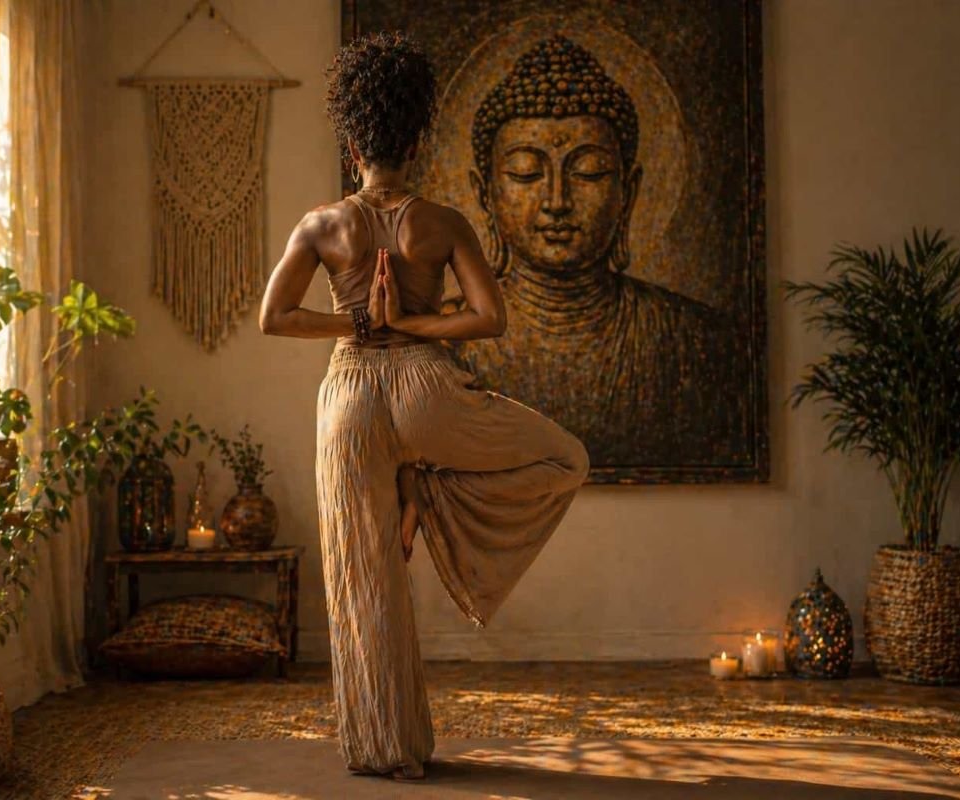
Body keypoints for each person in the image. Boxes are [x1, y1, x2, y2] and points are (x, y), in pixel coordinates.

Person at [258, 32, 589, 781]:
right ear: (417, 138)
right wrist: (410, 323)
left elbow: (274, 319)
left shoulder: (322, 225)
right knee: (565, 457)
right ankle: (427, 488)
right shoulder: (440, 222)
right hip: (425, 389)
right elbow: (489, 317)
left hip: (347, 395)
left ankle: (385, 750)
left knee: (361, 575)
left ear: (352, 142)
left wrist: (360, 323)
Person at [448, 34, 743, 466]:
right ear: (485, 194)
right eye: (526, 173)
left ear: (630, 189)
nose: (556, 201)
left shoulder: (695, 341)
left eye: (589, 171)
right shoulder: (449, 345)